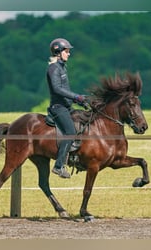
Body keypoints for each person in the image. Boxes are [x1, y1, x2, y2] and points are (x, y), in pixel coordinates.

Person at [46, 38, 86, 178]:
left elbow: (65, 91)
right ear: (58, 52)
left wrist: (80, 101)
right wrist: (76, 97)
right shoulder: (53, 68)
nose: (69, 54)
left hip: (67, 106)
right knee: (70, 132)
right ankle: (59, 166)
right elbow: (57, 89)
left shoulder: (62, 67)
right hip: (58, 108)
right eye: (67, 51)